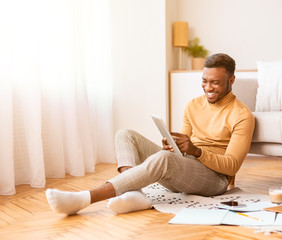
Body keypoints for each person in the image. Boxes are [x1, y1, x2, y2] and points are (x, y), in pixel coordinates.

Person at [46, 53, 255, 215]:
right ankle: (134, 193)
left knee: (164, 160)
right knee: (125, 134)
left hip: (214, 180)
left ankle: (85, 198)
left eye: (215, 82)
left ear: (231, 80)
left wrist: (197, 152)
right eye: (204, 81)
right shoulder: (193, 105)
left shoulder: (242, 115)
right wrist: (174, 146)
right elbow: (183, 147)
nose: (207, 88)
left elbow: (231, 166)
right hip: (186, 166)